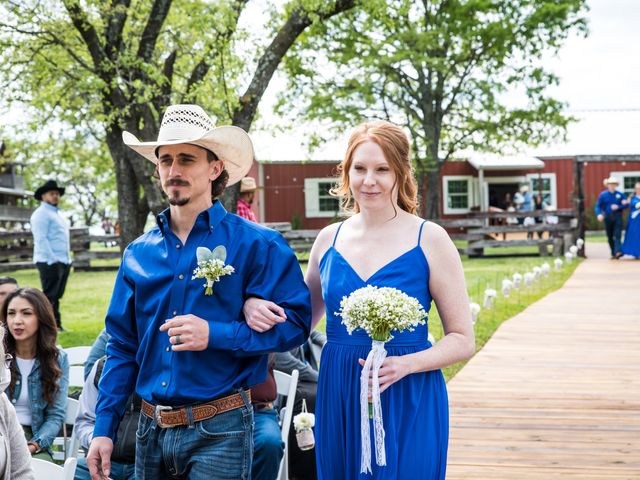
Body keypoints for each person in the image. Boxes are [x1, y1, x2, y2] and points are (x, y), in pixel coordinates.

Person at [87, 104, 311, 480]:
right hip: (149, 429)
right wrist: (103, 428)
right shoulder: (137, 254)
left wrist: (216, 334)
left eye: (187, 159)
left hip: (220, 429)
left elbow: (297, 324)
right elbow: (122, 346)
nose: (174, 171)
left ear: (215, 168)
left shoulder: (258, 245)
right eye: (166, 160)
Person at [244, 120, 475, 479]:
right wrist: (251, 303)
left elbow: (462, 340)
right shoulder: (328, 240)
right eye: (360, 168)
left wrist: (406, 365)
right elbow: (300, 321)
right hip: (341, 389)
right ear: (346, 171)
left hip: (407, 389)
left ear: (401, 172)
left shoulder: (430, 239)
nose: (370, 180)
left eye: (382, 169)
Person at [1, 287, 69, 462]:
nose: (17, 321)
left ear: (41, 317)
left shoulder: (58, 359)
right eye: (11, 313)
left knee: (41, 470)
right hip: (2, 433)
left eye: (26, 313)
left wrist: (33, 445)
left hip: (35, 439)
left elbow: (56, 415)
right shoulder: (1, 355)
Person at [74, 356, 138, 480]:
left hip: (143, 464)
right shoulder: (102, 366)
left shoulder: (161, 369)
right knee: (66, 472)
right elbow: (85, 421)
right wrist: (97, 441)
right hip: (103, 460)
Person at [273, 331, 326, 480]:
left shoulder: (293, 315)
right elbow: (286, 363)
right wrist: (324, 378)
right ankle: (302, 473)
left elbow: (309, 330)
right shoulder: (272, 320)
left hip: (302, 383)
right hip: (282, 391)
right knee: (316, 397)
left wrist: (324, 340)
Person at [30, 179, 71, 330]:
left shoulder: (57, 214)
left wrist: (67, 260)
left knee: (56, 296)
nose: (55, 196)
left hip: (63, 260)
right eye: (51, 194)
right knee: (49, 296)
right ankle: (46, 327)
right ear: (43, 196)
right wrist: (53, 260)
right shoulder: (40, 214)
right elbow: (41, 239)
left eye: (57, 194)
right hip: (49, 261)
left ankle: (57, 325)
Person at [0, 324, 35, 479]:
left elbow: (22, 473)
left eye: (3, 360)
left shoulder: (2, 405)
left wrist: (38, 443)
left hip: (35, 436)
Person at [596, 177, 629, 259]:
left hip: (617, 217)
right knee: (610, 236)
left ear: (616, 185)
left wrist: (619, 206)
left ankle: (618, 251)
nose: (612, 186)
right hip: (607, 218)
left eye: (614, 184)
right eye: (610, 184)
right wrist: (599, 214)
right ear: (608, 185)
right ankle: (613, 252)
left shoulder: (620, 195)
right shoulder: (603, 195)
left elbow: (626, 205)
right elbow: (598, 206)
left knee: (617, 235)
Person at [621, 182, 640, 258]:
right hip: (635, 220)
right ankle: (636, 253)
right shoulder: (633, 198)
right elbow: (634, 205)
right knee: (635, 235)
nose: (638, 190)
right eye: (637, 188)